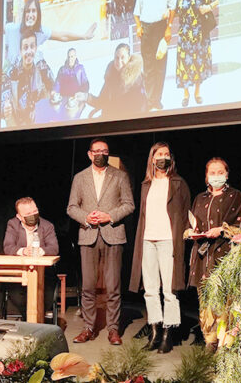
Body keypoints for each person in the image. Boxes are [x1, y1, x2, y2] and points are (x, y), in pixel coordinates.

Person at [67, 138, 135, 345]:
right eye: (96, 151)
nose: (100, 154)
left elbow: (129, 204)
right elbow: (71, 207)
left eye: (104, 151)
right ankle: (88, 328)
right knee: (88, 286)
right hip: (88, 235)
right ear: (89, 154)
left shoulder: (120, 176)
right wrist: (86, 217)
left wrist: (110, 216)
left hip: (113, 234)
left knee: (113, 285)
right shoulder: (80, 178)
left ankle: (113, 329)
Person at [129, 142, 191, 354]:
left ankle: (168, 333)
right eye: (158, 154)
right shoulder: (146, 184)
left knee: (169, 290)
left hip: (168, 241)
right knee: (150, 290)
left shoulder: (178, 183)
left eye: (166, 154)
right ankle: (154, 331)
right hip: (148, 240)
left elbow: (184, 215)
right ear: (152, 158)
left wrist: (180, 241)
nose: (162, 158)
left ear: (170, 159)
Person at [187, 158, 241, 351]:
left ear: (227, 174)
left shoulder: (235, 196)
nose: (216, 176)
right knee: (205, 299)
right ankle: (209, 340)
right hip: (202, 255)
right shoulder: (200, 198)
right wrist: (191, 232)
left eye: (220, 172)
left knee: (225, 298)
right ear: (206, 176)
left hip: (224, 253)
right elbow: (192, 223)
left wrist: (222, 229)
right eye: (212, 172)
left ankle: (225, 342)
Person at [3, 197, 60, 317]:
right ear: (19, 217)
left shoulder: (47, 226)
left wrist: (40, 251)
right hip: (19, 273)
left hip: (44, 274)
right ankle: (29, 320)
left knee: (45, 297)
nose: (32, 216)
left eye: (34, 212)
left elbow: (54, 249)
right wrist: (23, 251)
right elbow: (8, 247)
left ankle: (36, 321)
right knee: (18, 296)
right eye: (28, 214)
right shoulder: (13, 224)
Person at [3, 0, 97, 68]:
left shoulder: (41, 31)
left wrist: (83, 36)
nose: (30, 15)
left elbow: (62, 36)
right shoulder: (12, 29)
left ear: (38, 14)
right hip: (10, 80)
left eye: (34, 11)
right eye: (28, 11)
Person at [133, 0, 177, 110]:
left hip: (160, 28)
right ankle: (150, 100)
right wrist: (139, 27)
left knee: (160, 66)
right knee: (148, 66)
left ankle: (157, 99)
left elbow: (172, 8)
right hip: (146, 29)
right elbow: (136, 12)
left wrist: (169, 28)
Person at [175, 0, 218, 107]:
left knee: (199, 62)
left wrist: (209, 7)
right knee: (185, 63)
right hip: (185, 34)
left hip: (201, 33)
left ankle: (197, 92)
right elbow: (174, 10)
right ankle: (186, 93)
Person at [1, 32, 54, 126]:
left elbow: (53, 89)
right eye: (25, 48)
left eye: (32, 46)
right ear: (20, 51)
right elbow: (4, 101)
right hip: (18, 123)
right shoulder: (11, 72)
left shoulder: (42, 67)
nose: (29, 51)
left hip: (38, 119)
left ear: (36, 48)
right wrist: (5, 109)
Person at [88, 43, 146, 119]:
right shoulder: (111, 76)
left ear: (128, 58)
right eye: (117, 57)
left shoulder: (136, 79)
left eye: (122, 57)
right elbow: (102, 101)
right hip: (110, 121)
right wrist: (86, 97)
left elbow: (140, 108)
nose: (119, 61)